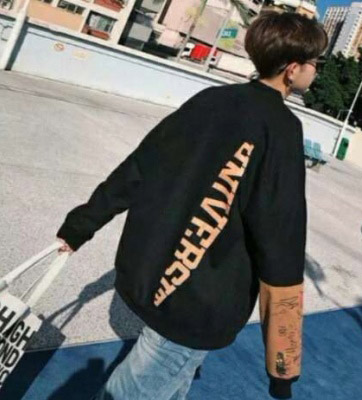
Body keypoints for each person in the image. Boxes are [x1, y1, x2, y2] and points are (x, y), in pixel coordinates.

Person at [57, 10, 328, 400]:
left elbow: (141, 165)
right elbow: (280, 241)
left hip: (153, 274)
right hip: (199, 302)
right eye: (315, 62)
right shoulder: (282, 128)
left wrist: (82, 224)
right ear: (292, 69)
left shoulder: (210, 99)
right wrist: (282, 364)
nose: (315, 71)